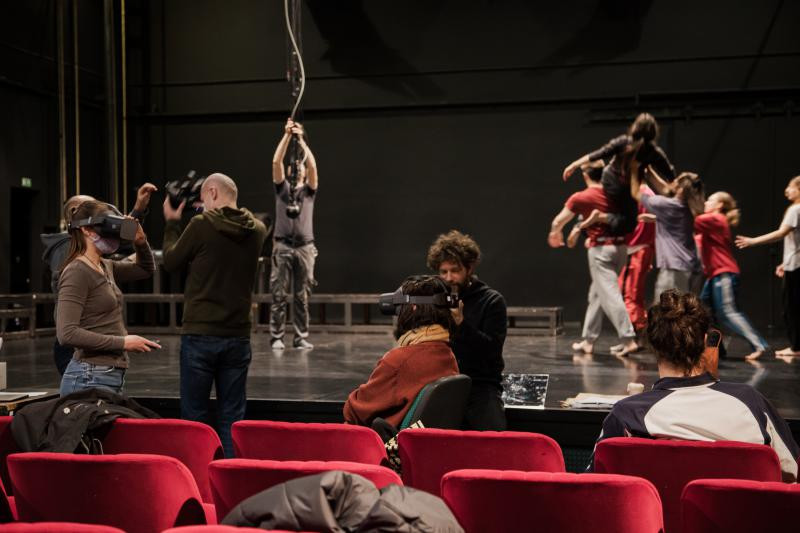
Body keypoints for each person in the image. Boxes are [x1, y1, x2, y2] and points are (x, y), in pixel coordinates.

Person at [589, 289, 799, 482]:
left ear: (653, 343)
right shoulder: (751, 404)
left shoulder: (627, 415)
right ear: (706, 340)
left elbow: (594, 486)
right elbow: (793, 474)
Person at [162, 173, 268, 457]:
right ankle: (229, 475)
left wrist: (172, 222)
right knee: (232, 416)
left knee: (194, 416)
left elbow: (171, 261)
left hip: (200, 334)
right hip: (238, 335)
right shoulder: (258, 230)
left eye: (204, 197)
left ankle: (197, 476)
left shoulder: (201, 225)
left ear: (212, 192)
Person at [42, 184, 158, 375]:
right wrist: (123, 342)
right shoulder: (73, 263)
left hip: (106, 366)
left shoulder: (103, 264)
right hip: (87, 365)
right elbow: (67, 333)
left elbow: (144, 268)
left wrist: (140, 237)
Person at [343, 276, 459, 427]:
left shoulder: (400, 361)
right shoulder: (448, 355)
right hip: (424, 438)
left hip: (390, 441)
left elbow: (356, 411)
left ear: (413, 307)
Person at [549, 162, 639, 356]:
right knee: (597, 294)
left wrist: (555, 233)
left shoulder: (582, 197)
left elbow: (559, 221)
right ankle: (588, 340)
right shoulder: (614, 193)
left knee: (610, 295)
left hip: (601, 251)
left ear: (585, 176)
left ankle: (628, 339)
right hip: (621, 249)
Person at [426, 230, 507, 430]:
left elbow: (491, 352)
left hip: (479, 384)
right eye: (443, 272)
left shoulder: (491, 300)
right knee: (414, 435)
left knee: (493, 437)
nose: (449, 278)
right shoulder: (434, 299)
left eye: (455, 270)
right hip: (440, 383)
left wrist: (461, 324)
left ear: (469, 268)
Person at [562, 112, 675, 236]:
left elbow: (600, 153)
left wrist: (574, 165)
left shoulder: (624, 141)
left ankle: (589, 222)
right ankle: (601, 218)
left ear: (635, 128)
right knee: (630, 223)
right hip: (625, 189)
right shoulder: (653, 152)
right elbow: (670, 173)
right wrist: (677, 192)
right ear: (654, 133)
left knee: (608, 206)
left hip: (609, 180)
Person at [696, 192, 770, 360]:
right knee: (703, 311)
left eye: (710, 200)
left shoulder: (717, 218)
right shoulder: (711, 223)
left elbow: (695, 220)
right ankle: (716, 348)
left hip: (723, 273)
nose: (706, 203)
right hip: (714, 275)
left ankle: (759, 344)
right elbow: (697, 237)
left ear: (720, 205)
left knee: (728, 312)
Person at [736, 176, 800, 359]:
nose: (786, 190)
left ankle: (797, 347)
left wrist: (753, 241)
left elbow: (781, 233)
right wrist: (785, 263)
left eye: (790, 187)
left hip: (796, 266)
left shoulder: (795, 209)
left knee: (792, 308)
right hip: (794, 264)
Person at [269, 119, 319, 350]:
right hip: (283, 245)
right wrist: (287, 135)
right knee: (278, 294)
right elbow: (276, 161)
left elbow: (313, 167)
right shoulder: (283, 190)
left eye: (299, 166)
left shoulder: (308, 191)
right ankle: (277, 337)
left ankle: (300, 337)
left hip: (304, 246)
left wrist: (301, 140)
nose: (296, 168)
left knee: (302, 295)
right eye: (293, 167)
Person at [633, 168, 703, 301]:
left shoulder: (668, 205)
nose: (672, 183)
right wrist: (649, 170)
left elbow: (636, 193)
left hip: (674, 267)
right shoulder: (688, 206)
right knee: (682, 308)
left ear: (681, 190)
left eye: (676, 182)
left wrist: (633, 169)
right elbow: (667, 190)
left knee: (666, 308)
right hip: (688, 266)